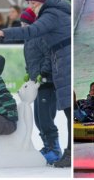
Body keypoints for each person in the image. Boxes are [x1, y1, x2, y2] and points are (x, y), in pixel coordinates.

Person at [0, 0, 71, 168]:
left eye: (33, 4)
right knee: (61, 113)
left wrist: (5, 32)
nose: (32, 8)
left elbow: (32, 32)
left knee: (64, 113)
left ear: (41, 2)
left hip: (57, 71)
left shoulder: (50, 15)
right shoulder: (54, 13)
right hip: (60, 66)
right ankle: (62, 150)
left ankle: (61, 149)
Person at [21, 8, 61, 165]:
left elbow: (48, 56)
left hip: (47, 84)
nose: (22, 27)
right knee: (38, 118)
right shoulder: (28, 40)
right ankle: (46, 146)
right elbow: (31, 61)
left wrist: (43, 73)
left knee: (45, 118)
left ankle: (54, 148)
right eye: (21, 23)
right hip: (36, 84)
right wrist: (28, 74)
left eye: (25, 23)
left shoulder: (40, 37)